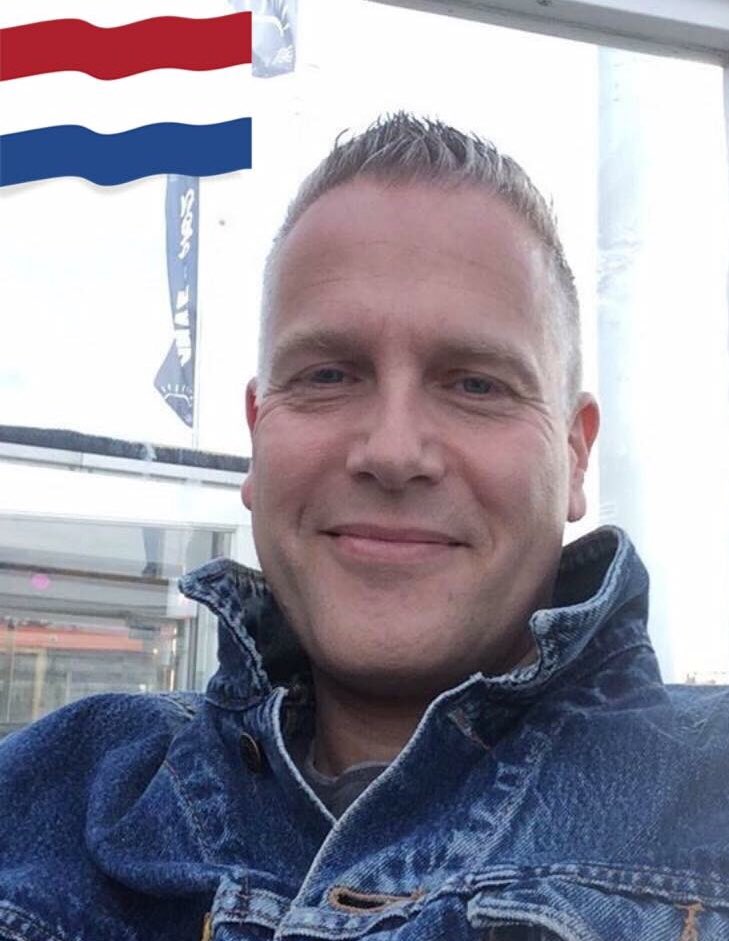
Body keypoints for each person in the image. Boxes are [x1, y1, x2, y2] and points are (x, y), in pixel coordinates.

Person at [1, 114, 728, 941]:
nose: (391, 451)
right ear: (257, 434)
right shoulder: (53, 792)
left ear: (574, 452)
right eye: (327, 375)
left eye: (475, 384)